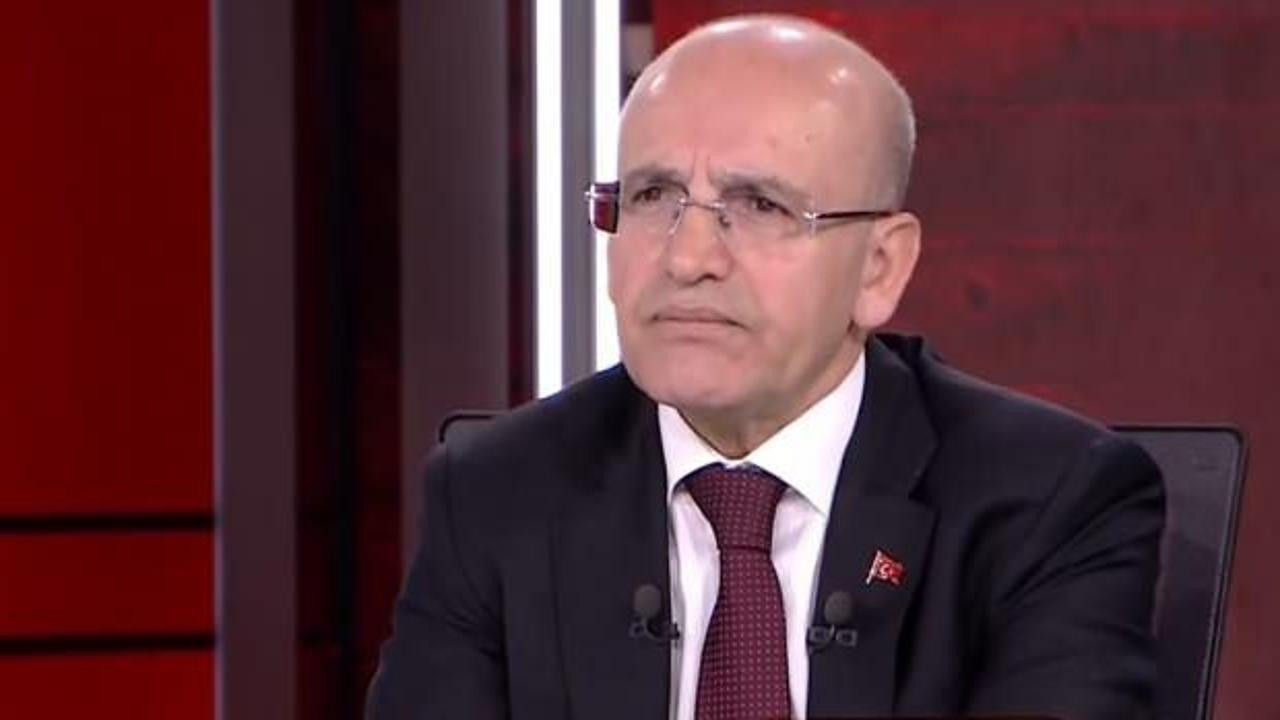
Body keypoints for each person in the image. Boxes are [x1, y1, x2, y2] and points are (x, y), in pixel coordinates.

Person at [366, 14, 1164, 720]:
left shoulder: (1047, 503)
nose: (688, 258)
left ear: (880, 267)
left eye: (760, 206)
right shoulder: (498, 491)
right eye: (652, 197)